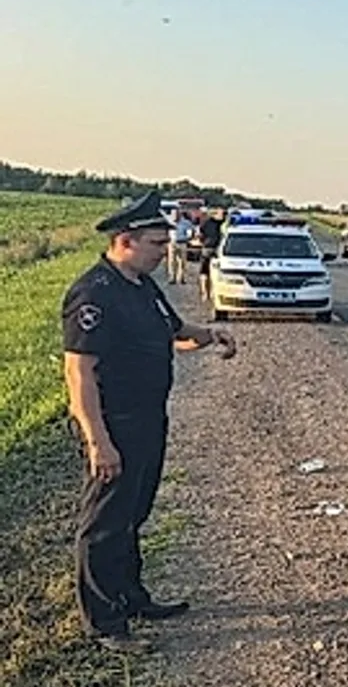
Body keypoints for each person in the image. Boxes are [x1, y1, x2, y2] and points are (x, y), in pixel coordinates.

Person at [62, 191, 238, 654]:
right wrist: (98, 441)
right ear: (126, 240)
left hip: (147, 419)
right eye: (157, 243)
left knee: (133, 513)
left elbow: (174, 332)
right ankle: (104, 622)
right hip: (113, 423)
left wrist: (210, 335)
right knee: (104, 522)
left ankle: (131, 597)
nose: (166, 250)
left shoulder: (141, 286)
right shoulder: (94, 293)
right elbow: (78, 373)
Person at [195, 207, 225, 301]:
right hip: (213, 250)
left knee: (206, 273)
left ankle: (207, 294)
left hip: (211, 249)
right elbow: (200, 235)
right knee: (206, 273)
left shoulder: (207, 223)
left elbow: (200, 236)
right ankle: (207, 293)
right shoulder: (222, 224)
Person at [168, 210, 196, 284]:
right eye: (173, 215)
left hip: (182, 243)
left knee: (182, 262)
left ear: (179, 215)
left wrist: (188, 238)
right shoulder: (169, 222)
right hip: (172, 242)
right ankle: (172, 278)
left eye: (176, 215)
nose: (174, 217)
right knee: (171, 261)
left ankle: (181, 278)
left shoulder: (186, 223)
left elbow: (190, 232)